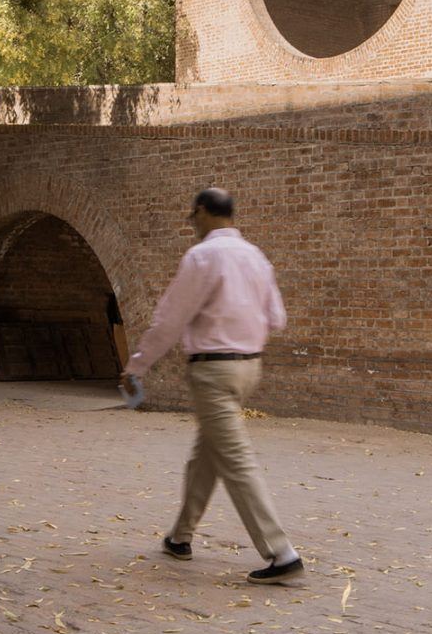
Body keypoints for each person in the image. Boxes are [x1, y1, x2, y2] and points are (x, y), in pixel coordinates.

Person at [120, 186, 302, 584]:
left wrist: (137, 365)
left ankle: (281, 552)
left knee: (235, 459)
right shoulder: (256, 256)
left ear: (202, 212)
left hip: (213, 371)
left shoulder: (202, 256)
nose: (193, 224)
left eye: (193, 217)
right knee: (208, 453)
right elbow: (277, 318)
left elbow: (170, 319)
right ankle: (180, 537)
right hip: (249, 368)